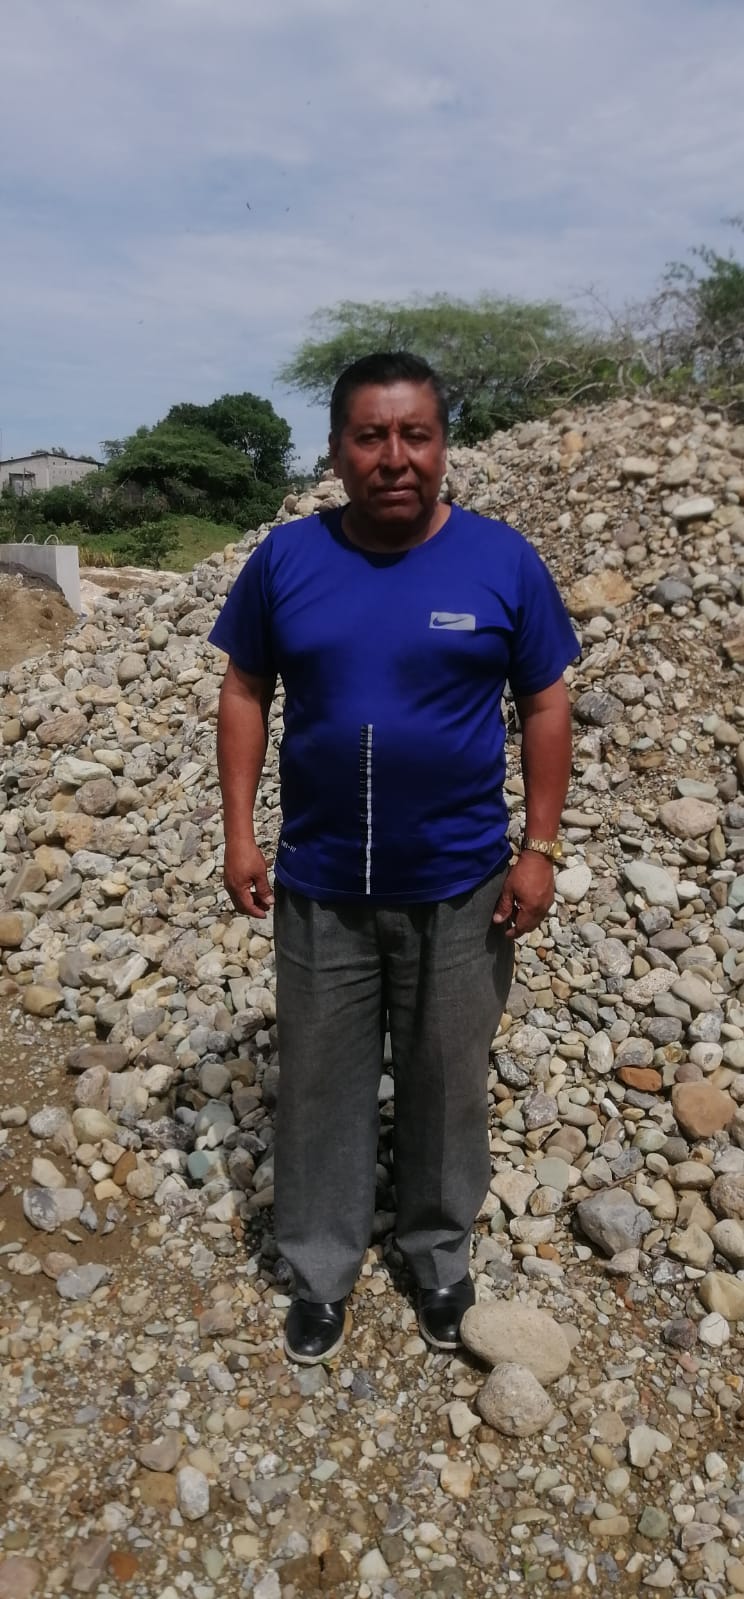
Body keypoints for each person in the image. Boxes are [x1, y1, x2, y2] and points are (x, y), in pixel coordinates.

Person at [209, 352, 579, 1365]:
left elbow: (545, 702)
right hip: (321, 882)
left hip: (462, 884)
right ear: (337, 451)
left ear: (444, 445)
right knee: (320, 1082)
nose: (394, 457)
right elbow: (244, 690)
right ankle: (321, 1266)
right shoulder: (286, 560)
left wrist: (540, 847)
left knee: (446, 1080)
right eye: (370, 436)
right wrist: (240, 833)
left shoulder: (501, 560)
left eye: (416, 434)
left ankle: (439, 1253)